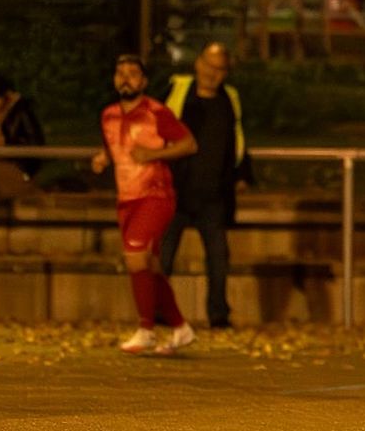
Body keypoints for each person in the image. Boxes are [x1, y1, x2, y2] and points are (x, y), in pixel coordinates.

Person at [92, 54, 198, 355]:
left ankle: (146, 329)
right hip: (126, 198)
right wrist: (102, 158)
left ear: (144, 81)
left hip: (155, 194)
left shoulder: (156, 112)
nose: (126, 78)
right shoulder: (108, 114)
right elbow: (112, 146)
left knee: (135, 257)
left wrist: (153, 155)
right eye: (120, 73)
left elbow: (189, 144)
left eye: (133, 73)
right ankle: (180, 328)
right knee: (148, 264)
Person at [160, 42, 252, 329]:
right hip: (176, 189)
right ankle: (158, 311)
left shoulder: (229, 99)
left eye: (220, 69)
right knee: (163, 255)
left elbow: (237, 138)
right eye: (210, 66)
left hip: (213, 194)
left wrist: (241, 175)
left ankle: (218, 314)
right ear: (198, 63)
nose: (213, 74)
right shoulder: (176, 91)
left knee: (218, 256)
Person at [0, 74, 44, 210]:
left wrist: (6, 145)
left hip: (18, 168)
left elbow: (35, 146)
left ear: (6, 96)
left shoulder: (21, 113)